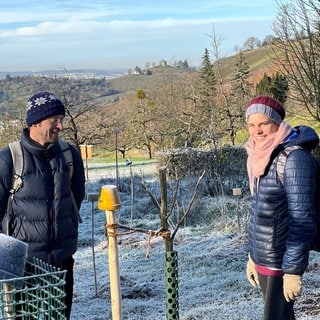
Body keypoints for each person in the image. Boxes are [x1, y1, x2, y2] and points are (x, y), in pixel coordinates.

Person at [0, 91, 85, 319]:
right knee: (24, 317)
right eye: (54, 120)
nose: (61, 125)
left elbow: (77, 196)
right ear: (35, 122)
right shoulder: (9, 158)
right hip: (22, 264)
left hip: (61, 259)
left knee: (59, 315)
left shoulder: (70, 156)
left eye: (62, 119)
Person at [244, 95, 319, 320]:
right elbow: (260, 210)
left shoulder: (294, 158)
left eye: (264, 124)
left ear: (277, 123)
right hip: (264, 257)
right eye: (251, 125)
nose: (257, 131)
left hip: (280, 261)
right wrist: (252, 255)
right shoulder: (260, 156)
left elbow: (302, 218)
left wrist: (293, 271)